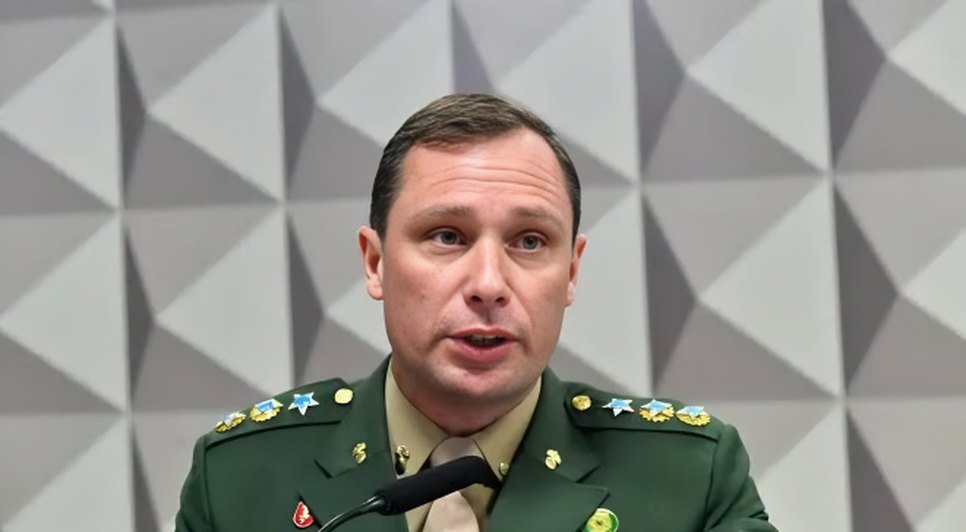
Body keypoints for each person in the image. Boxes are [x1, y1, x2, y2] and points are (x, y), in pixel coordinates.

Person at [175, 94, 777, 532]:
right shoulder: (238, 481)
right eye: (447, 236)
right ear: (376, 263)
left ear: (571, 272)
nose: (489, 284)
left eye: (530, 241)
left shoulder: (690, 478)